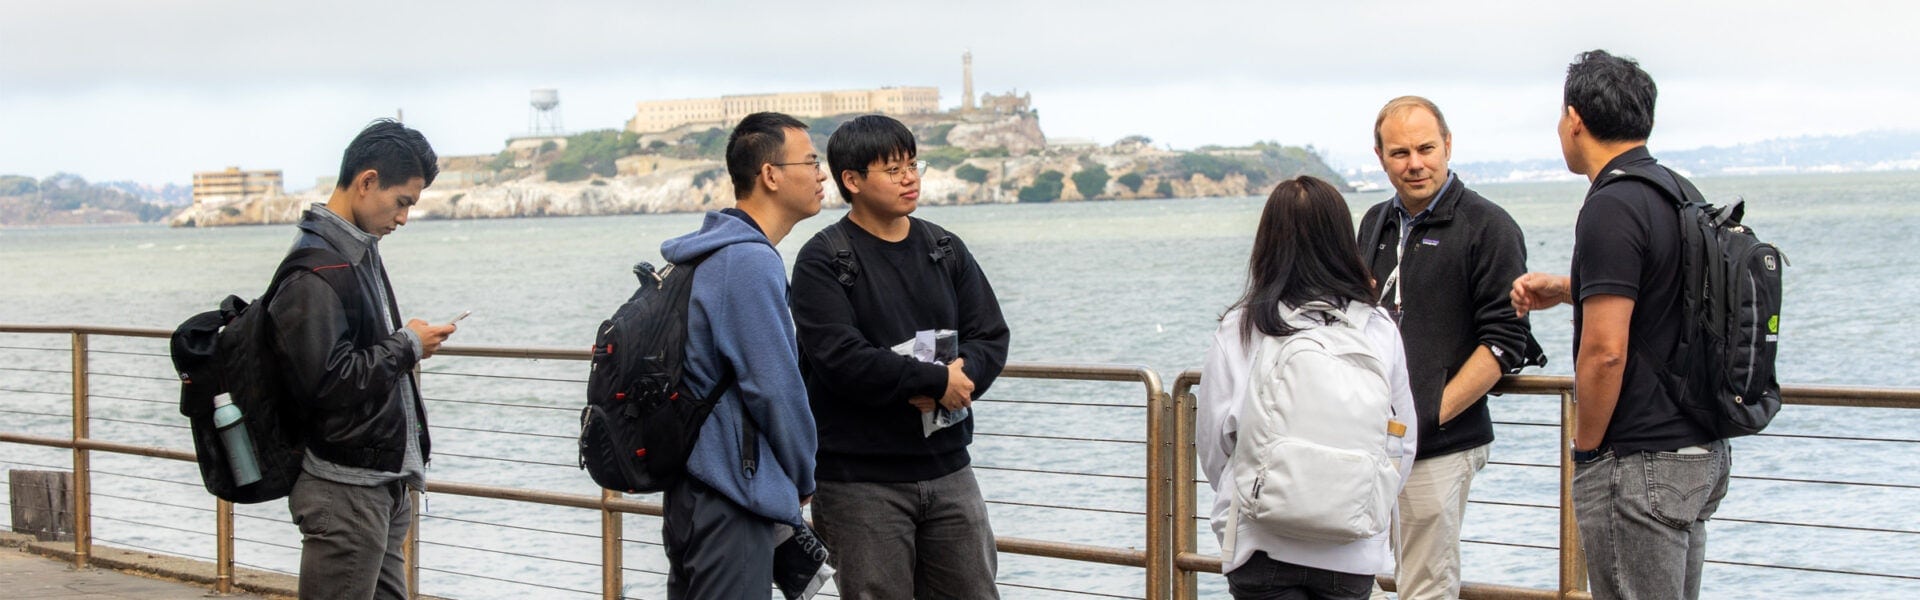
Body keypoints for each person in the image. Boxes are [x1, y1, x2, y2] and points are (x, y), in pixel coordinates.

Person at [1510, 50, 1731, 600]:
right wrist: (1567, 289)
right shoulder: (1679, 192)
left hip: (1638, 462)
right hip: (1699, 451)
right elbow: (1663, 299)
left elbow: (1605, 351)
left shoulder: (1612, 205)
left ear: (1574, 118)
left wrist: (1587, 449)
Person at [790, 114, 1011, 598]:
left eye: (913, 164)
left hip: (950, 467)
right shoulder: (824, 259)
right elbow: (840, 358)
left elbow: (990, 335)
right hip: (860, 480)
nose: (910, 177)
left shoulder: (944, 247)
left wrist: (959, 383)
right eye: (892, 170)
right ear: (852, 181)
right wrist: (933, 382)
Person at [1198, 175, 1419, 600]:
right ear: (1341, 241)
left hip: (1260, 543)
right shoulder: (1376, 328)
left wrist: (1254, 489)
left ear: (1268, 243)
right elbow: (1400, 442)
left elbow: (1214, 445)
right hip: (1351, 547)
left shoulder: (1241, 328)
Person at [1356, 97, 1541, 600]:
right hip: (1372, 444)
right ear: (1380, 157)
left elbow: (1505, 341)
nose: (1415, 163)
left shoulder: (1488, 226)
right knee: (1359, 577)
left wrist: (1432, 414)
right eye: (1399, 153)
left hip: (1441, 446)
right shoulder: (1373, 222)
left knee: (1426, 587)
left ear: (1448, 146)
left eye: (1425, 148)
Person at [273, 119, 454, 600]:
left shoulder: (354, 252)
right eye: (402, 202)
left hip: (377, 482)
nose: (403, 218)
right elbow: (329, 382)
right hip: (345, 487)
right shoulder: (316, 268)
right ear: (367, 181)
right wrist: (409, 344)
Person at [656, 111, 823, 598]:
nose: (821, 174)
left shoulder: (710, 251)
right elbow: (774, 387)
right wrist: (801, 474)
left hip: (693, 483)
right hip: (732, 493)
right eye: (810, 161)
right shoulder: (746, 262)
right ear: (770, 175)